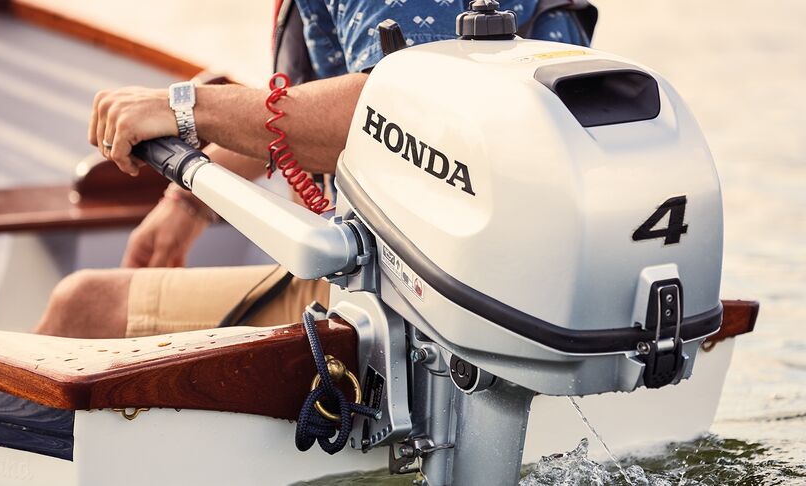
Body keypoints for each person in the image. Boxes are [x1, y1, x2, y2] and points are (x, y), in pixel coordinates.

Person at [33, 0, 594, 339]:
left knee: (83, 308)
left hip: (417, 307)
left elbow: (412, 115)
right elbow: (314, 104)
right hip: (537, 290)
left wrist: (186, 108)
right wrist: (187, 203)